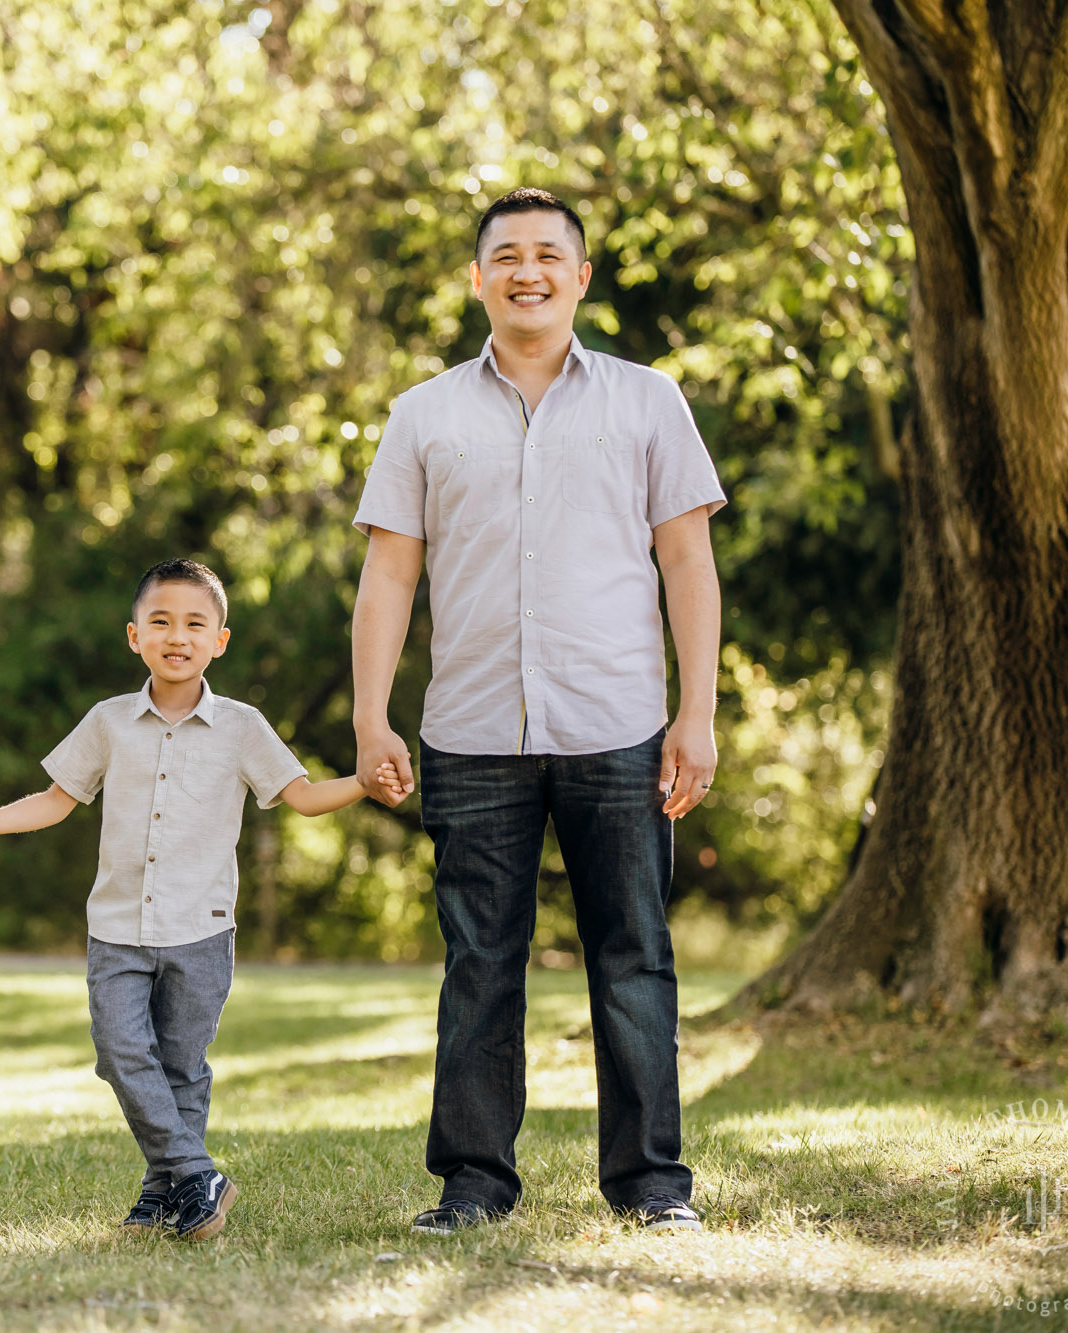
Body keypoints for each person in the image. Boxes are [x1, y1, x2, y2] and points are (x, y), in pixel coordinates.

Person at [352, 188, 726, 1235]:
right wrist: (369, 717)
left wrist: (693, 715)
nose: (526, 271)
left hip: (617, 726)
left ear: (578, 277)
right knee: (478, 964)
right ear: (477, 280)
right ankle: (473, 1181)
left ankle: (651, 1183)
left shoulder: (647, 400)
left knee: (632, 956)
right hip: (469, 733)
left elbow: (686, 561)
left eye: (546, 255)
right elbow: (387, 577)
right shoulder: (423, 412)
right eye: (504, 255)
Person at [0, 560, 400, 1240]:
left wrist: (364, 783)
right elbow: (57, 799)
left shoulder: (243, 727)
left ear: (219, 640)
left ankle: (163, 1195)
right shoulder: (108, 722)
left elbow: (303, 797)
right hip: (117, 927)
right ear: (135, 636)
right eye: (160, 621)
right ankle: (198, 1173)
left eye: (195, 623)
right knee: (119, 1049)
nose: (177, 635)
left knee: (182, 1066)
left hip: (201, 930)